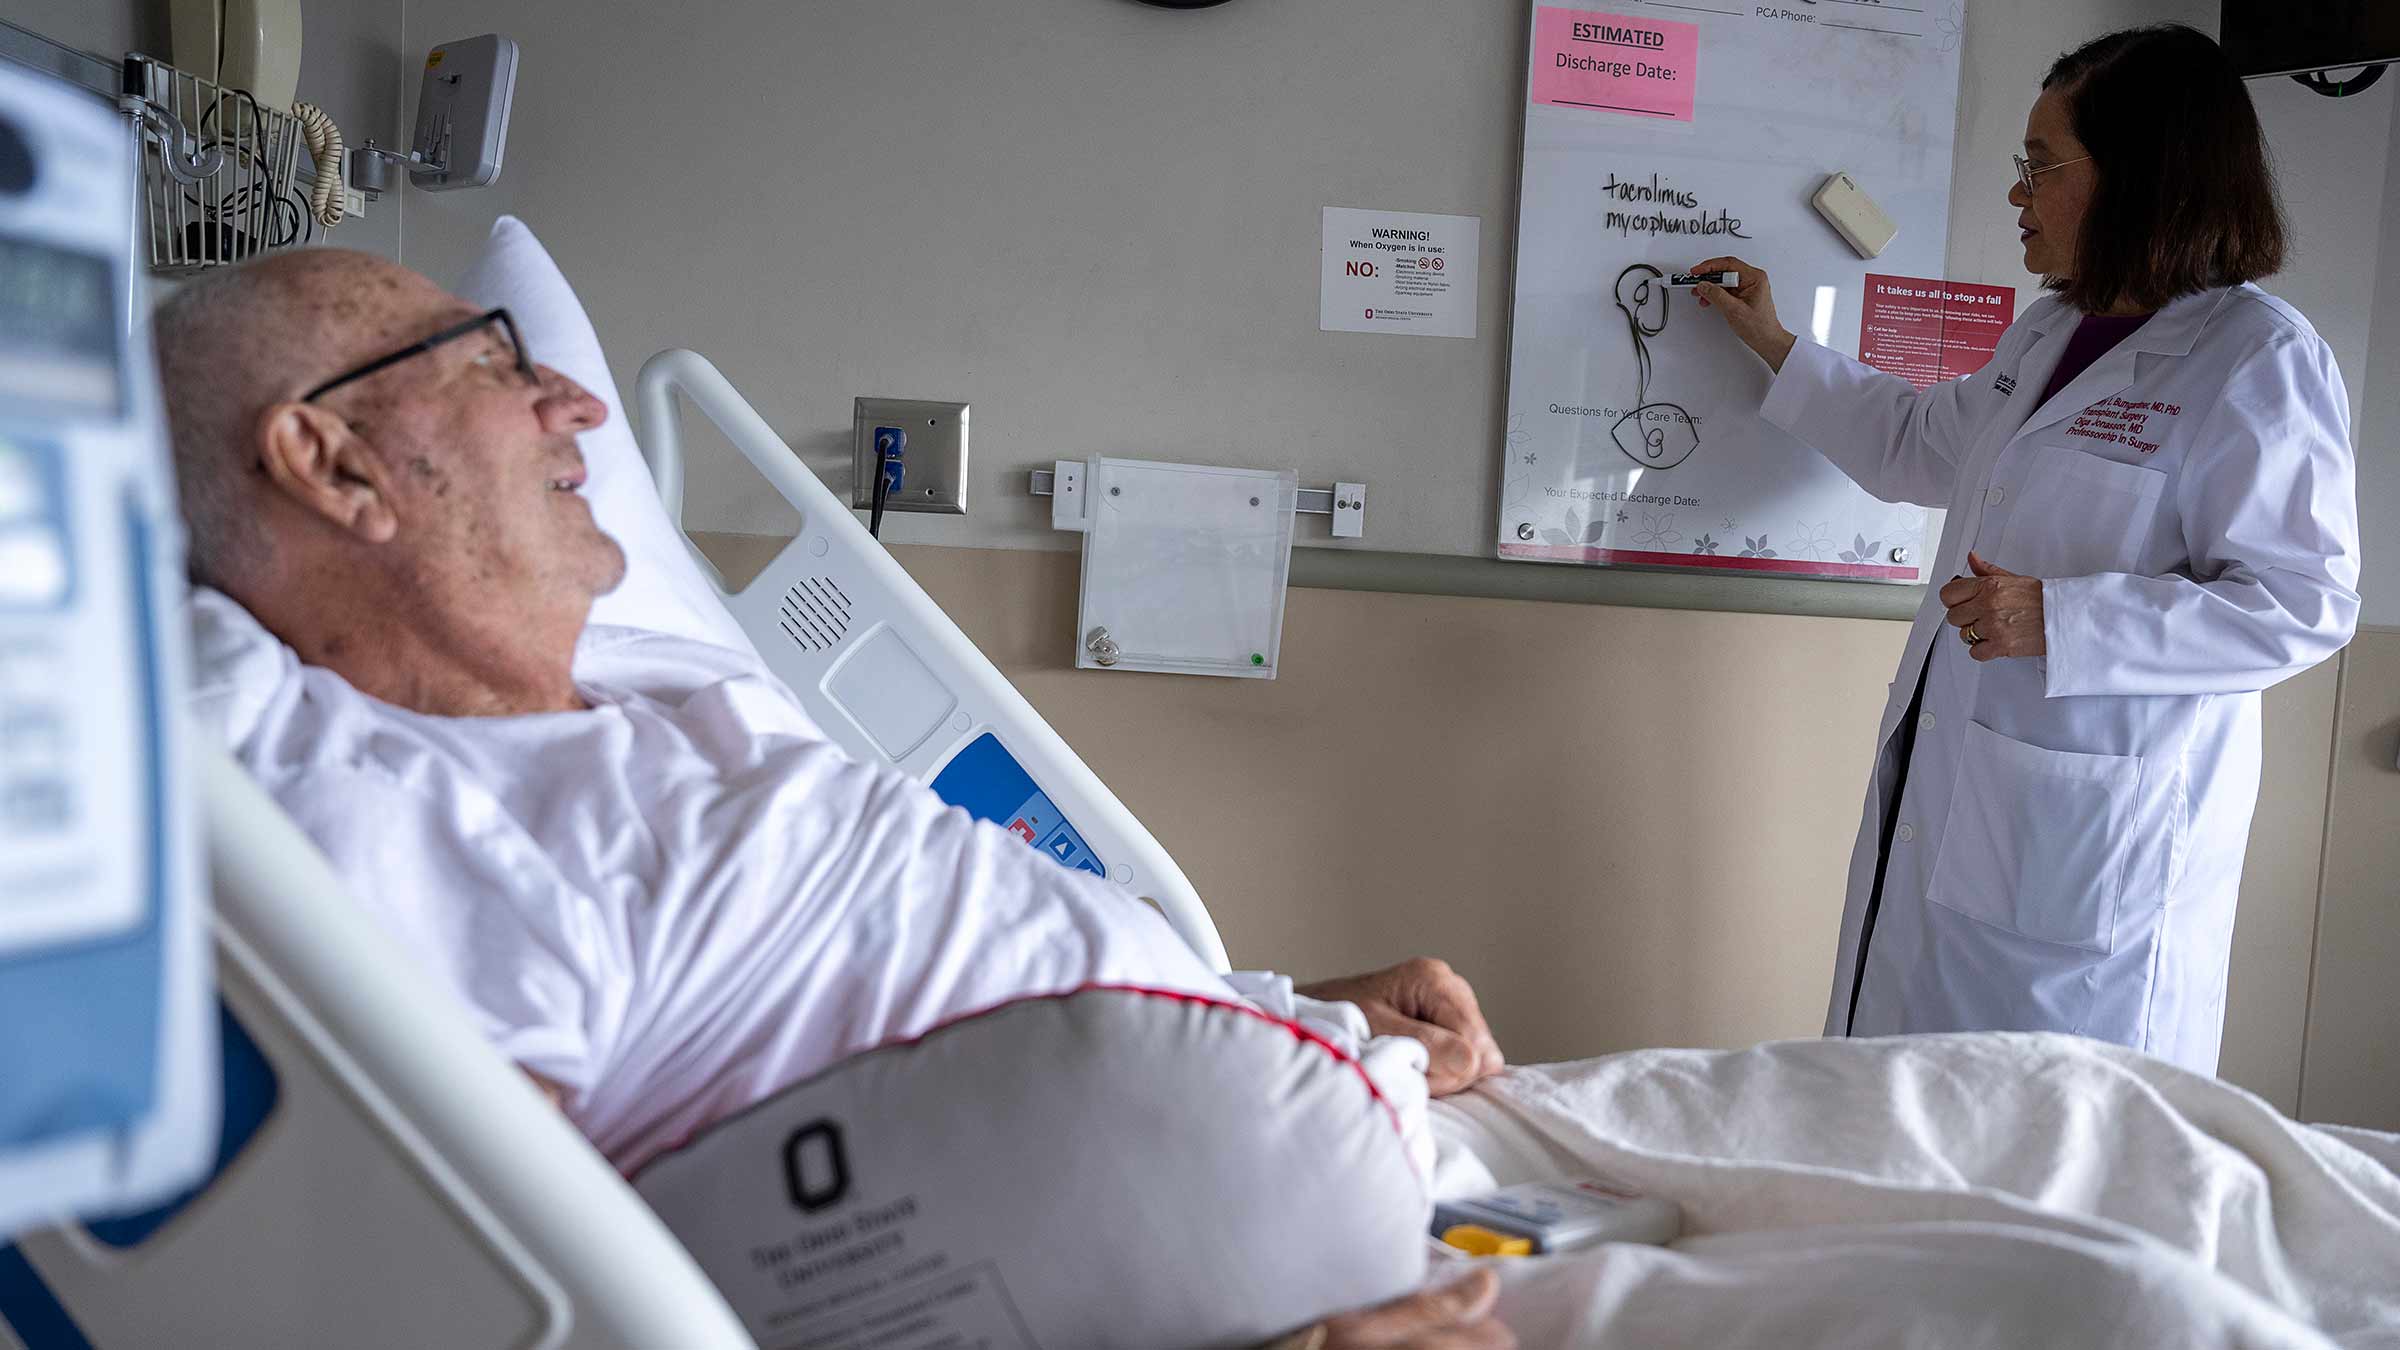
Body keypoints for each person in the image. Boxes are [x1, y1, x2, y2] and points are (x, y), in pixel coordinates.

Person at [155, 247, 1511, 1349]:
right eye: (490, 360)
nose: (574, 402)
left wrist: (1284, 1011)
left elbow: (893, 998)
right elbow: (505, 1310)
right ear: (331, 463)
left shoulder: (641, 690)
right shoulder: (393, 824)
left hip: (1358, 1145)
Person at [1689, 23, 2359, 1071]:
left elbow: (2303, 603)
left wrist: (2067, 618)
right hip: (1964, 807)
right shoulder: (2048, 334)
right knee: (1912, 1102)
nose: (2018, 193)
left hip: (2087, 855)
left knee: (2057, 1126)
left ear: (2141, 174)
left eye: (2041, 166)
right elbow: (1918, 444)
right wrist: (1772, 342)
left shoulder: (2257, 358)